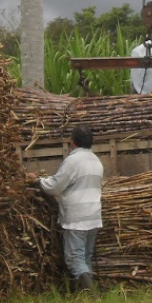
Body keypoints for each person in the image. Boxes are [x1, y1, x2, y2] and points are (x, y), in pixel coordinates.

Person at [27, 123, 104, 291]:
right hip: (94, 216)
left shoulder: (73, 161)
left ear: (72, 142)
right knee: (85, 258)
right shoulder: (96, 161)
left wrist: (37, 180)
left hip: (77, 218)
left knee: (75, 259)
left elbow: (54, 186)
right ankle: (83, 298)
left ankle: (93, 297)